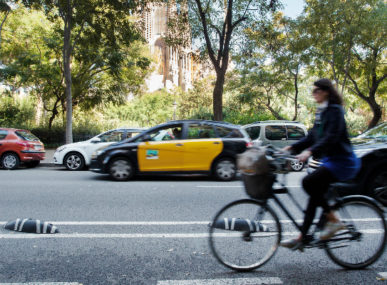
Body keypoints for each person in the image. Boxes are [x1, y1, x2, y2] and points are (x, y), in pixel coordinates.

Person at [280, 78, 361, 250]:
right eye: (313, 90)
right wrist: (291, 147)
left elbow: (331, 137)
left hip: (343, 161)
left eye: (316, 90)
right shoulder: (321, 111)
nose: (313, 93)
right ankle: (303, 237)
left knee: (308, 182)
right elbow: (312, 137)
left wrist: (309, 152)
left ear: (326, 91)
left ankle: (333, 220)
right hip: (330, 161)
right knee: (314, 196)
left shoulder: (335, 111)